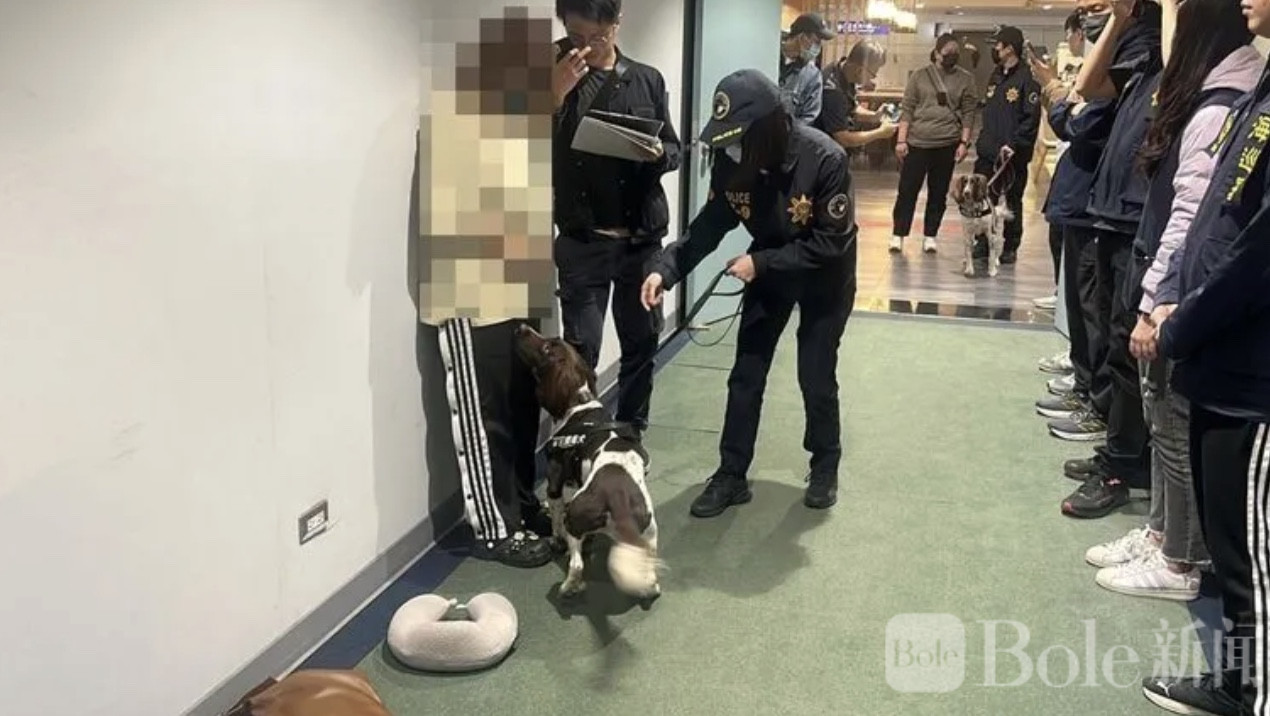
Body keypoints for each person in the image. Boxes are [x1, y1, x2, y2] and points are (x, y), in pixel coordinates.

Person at [1087, 0, 1259, 606]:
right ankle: (1163, 533)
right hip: (1174, 284)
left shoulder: (1222, 104)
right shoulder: (1226, 92)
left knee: (1172, 424)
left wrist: (1158, 297)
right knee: (1162, 419)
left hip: (1180, 294)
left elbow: (1193, 217)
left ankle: (1179, 556)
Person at [640, 69, 857, 516]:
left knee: (815, 374)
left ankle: (825, 463)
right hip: (769, 270)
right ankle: (731, 474)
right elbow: (709, 226)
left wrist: (760, 263)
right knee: (746, 374)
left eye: (738, 137)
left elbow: (830, 243)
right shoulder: (733, 161)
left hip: (824, 276)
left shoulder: (825, 159)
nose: (730, 149)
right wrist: (665, 270)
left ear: (770, 126)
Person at [1146, 0, 1270, 709]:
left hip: (1251, 368)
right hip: (1221, 355)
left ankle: (1253, 691)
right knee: (1232, 547)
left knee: (1250, 555)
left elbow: (1255, 256)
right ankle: (1236, 680)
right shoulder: (1260, 93)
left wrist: (1184, 320)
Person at [417, 7, 558, 568]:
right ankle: (495, 528)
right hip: (469, 293)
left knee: (522, 409)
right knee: (485, 416)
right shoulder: (454, 116)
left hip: (514, 283)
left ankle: (522, 503)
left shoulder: (514, 124)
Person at [550, 0, 682, 438]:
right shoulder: (552, 68)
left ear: (617, 24)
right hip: (583, 238)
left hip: (640, 239)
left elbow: (675, 149)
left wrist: (659, 153)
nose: (586, 47)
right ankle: (580, 442)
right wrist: (554, 96)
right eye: (576, 36)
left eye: (598, 36)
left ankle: (630, 436)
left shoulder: (647, 79)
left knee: (641, 343)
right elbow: (514, 142)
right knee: (580, 351)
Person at [1059, 0, 1161, 518]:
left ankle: (1123, 466)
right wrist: (1119, 20)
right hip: (1111, 211)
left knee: (1127, 350)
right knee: (1112, 339)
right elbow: (1087, 88)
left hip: (1138, 216)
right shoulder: (1141, 47)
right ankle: (1120, 455)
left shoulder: (1179, 49)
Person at [1031, 1, 1115, 444]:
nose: (1087, 21)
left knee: (1090, 307)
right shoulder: (1094, 77)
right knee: (1079, 302)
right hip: (1075, 201)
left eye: (1097, 10)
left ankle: (1094, 397)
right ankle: (1084, 384)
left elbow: (1074, 125)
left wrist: (1054, 91)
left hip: (1090, 205)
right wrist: (1064, 99)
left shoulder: (1115, 78)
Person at [889, 33, 978, 255]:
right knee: (907, 191)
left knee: (938, 193)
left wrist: (964, 142)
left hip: (946, 143)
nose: (952, 56)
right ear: (937, 53)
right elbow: (907, 109)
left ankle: (930, 234)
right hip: (917, 142)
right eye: (948, 52)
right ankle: (898, 233)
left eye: (956, 53)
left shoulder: (966, 79)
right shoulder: (919, 76)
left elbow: (969, 113)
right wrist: (901, 140)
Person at [973, 25, 1042, 265]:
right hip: (988, 151)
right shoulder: (996, 75)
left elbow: (1030, 118)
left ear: (1010, 48)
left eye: (998, 45)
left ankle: (1010, 246)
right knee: (983, 198)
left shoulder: (1027, 78)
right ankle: (982, 241)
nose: (995, 49)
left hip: (1013, 154)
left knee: (1012, 201)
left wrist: (1014, 144)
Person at [815, 40, 895, 152]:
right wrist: (880, 133)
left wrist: (874, 116)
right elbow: (843, 139)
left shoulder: (841, 70)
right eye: (873, 75)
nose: (872, 79)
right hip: (823, 151)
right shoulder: (833, 91)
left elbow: (851, 107)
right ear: (859, 70)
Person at [779, 13, 835, 125]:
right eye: (816, 41)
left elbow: (808, 118)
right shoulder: (769, 54)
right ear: (802, 37)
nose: (818, 48)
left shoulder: (812, 76)